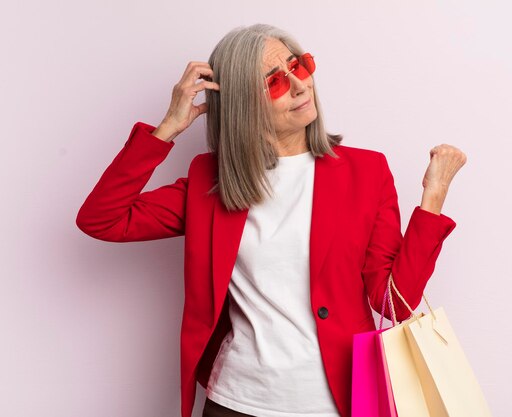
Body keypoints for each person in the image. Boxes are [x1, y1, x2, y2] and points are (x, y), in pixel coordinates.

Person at [75, 23, 466, 417]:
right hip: (236, 402)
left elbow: (394, 302)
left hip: (337, 402)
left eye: (299, 66)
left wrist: (432, 201)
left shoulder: (366, 172)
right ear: (245, 103)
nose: (300, 85)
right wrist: (168, 129)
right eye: (276, 82)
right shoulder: (211, 182)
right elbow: (102, 219)